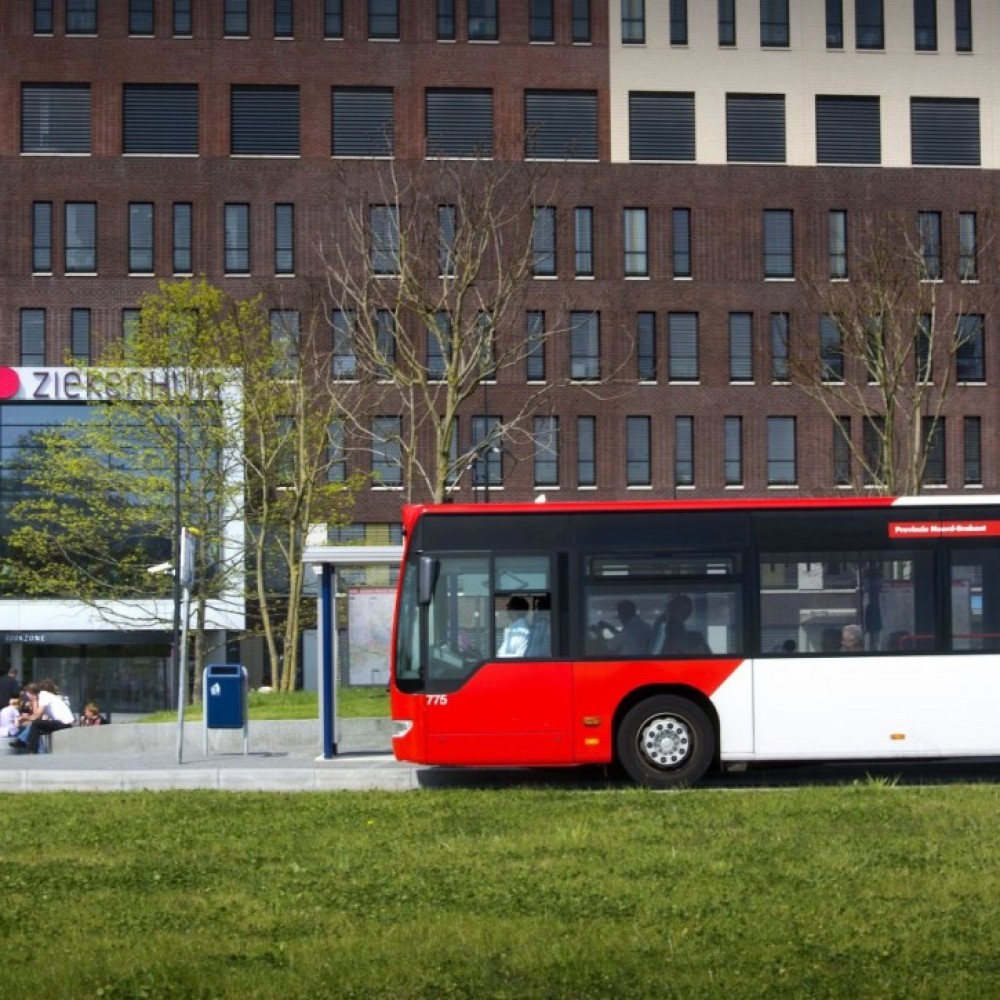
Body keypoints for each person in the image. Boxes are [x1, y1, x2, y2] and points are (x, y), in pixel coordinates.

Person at [14, 678, 75, 754]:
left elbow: (37, 716)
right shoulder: (44, 696)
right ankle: (30, 747)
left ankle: (29, 749)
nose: (28, 699)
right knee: (36, 727)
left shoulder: (44, 695)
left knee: (37, 724)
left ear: (31, 693)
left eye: (28, 696)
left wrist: (25, 717)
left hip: (65, 723)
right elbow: (38, 717)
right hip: (61, 723)